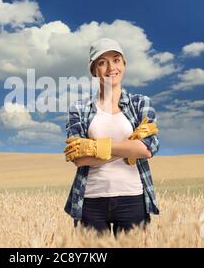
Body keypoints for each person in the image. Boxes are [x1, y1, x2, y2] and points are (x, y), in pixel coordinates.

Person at [63, 37, 160, 238]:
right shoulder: (79, 109)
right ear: (93, 70)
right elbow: (79, 158)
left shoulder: (141, 103)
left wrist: (94, 146)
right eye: (102, 62)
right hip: (90, 199)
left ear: (124, 64)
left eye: (116, 60)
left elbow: (147, 149)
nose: (110, 68)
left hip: (133, 197)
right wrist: (128, 148)